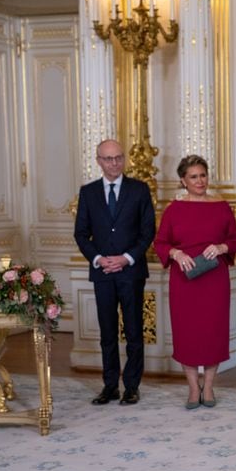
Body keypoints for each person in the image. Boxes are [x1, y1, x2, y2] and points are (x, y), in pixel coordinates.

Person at [154, 155, 236, 409]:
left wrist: (221, 246)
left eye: (203, 175)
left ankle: (210, 388)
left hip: (215, 281)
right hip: (184, 281)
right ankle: (194, 388)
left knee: (212, 333)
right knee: (188, 335)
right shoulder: (173, 210)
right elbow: (160, 243)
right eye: (193, 176)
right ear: (183, 180)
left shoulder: (222, 207)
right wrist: (176, 253)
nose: (200, 180)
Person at [73, 139, 156, 406]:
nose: (114, 163)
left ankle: (132, 386)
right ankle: (110, 386)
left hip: (131, 271)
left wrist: (126, 258)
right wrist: (99, 259)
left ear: (124, 159)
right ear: (98, 161)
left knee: (133, 331)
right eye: (108, 159)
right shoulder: (88, 192)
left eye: (118, 157)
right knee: (107, 332)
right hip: (103, 273)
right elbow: (81, 233)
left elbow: (147, 232)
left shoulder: (139, 190)